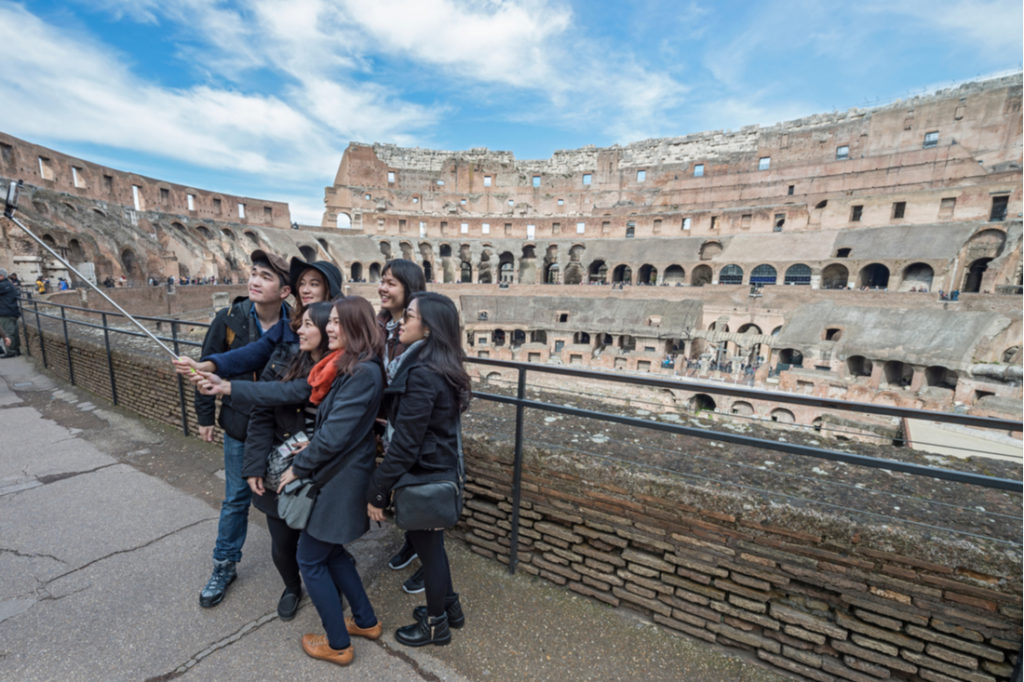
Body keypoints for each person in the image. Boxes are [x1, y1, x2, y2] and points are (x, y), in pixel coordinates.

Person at [198, 302, 334, 621]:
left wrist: (228, 385)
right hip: (279, 468)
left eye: (308, 325)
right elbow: (264, 407)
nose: (297, 329)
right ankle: (291, 587)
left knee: (324, 544)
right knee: (282, 544)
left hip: (321, 473)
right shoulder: (287, 358)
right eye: (299, 323)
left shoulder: (346, 369)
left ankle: (328, 590)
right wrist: (254, 466)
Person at [275, 296, 385, 666]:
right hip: (340, 477)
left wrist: (299, 467)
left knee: (309, 559)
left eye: (338, 322)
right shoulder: (354, 367)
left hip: (340, 482)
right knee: (333, 552)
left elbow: (336, 434)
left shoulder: (363, 372)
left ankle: (338, 644)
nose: (330, 328)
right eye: (331, 321)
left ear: (356, 326)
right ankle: (366, 622)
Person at [189, 250, 292, 608]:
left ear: (285, 290)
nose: (254, 281)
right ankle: (224, 564)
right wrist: (204, 416)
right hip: (238, 422)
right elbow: (209, 366)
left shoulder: (296, 324)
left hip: (279, 427)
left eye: (265, 276)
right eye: (253, 273)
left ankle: (309, 562)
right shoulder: (229, 318)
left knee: (287, 493)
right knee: (235, 498)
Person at [367, 292, 470, 647]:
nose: (400, 322)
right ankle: (450, 609)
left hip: (425, 471)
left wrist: (379, 488)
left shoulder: (423, 373)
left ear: (428, 328)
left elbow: (407, 443)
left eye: (408, 316)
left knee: (430, 551)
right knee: (433, 548)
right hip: (436, 466)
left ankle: (435, 626)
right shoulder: (438, 363)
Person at [374, 259, 429, 593]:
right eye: (382, 281)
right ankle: (412, 543)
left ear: (409, 288)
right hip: (384, 424)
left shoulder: (422, 327)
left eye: (391, 282)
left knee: (419, 494)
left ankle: (428, 561)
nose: (383, 287)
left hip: (411, 426)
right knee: (401, 492)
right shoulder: (378, 324)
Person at [0, 268, 21, 358]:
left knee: (8, 332)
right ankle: (16, 349)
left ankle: (10, 351)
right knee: (14, 332)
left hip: (6, 312)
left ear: (1, 276)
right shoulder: (8, 284)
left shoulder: (3, 285)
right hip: (12, 311)